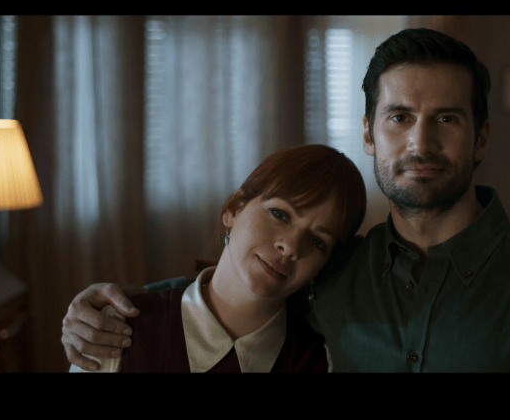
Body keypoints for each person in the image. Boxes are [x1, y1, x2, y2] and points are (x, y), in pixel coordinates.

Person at [63, 28, 510, 372]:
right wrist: (119, 304)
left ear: (480, 138)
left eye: (447, 119)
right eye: (399, 117)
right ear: (369, 134)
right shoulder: (333, 271)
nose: (420, 143)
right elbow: (237, 291)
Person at [68, 144, 366, 372]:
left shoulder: (321, 362)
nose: (289, 247)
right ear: (234, 209)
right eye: (280, 214)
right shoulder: (114, 332)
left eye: (317, 241)